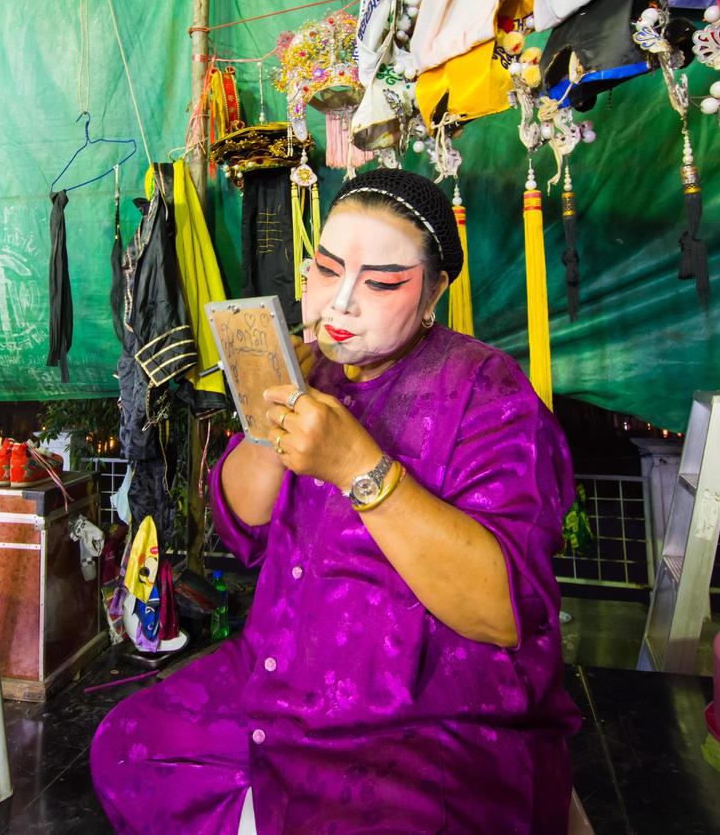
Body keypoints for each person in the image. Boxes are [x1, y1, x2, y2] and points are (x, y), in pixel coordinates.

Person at [91, 167, 579, 832]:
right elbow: (240, 522)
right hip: (281, 673)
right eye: (323, 271)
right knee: (127, 746)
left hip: (421, 707)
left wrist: (358, 467)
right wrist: (272, 408)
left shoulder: (484, 392)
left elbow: (498, 613)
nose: (339, 303)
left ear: (432, 294)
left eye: (380, 282)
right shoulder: (310, 365)